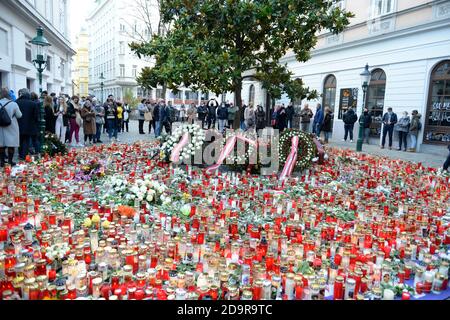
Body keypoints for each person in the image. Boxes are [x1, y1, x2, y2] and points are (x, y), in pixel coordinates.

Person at [0, 88, 22, 167]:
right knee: (11, 144)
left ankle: (2, 162)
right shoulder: (13, 104)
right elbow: (19, 115)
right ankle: (10, 161)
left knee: (1, 144)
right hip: (11, 126)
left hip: (1, 127)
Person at [16, 89, 40, 160]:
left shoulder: (16, 102)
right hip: (30, 125)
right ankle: (24, 156)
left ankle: (20, 155)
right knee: (26, 140)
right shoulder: (33, 103)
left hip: (18, 125)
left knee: (20, 140)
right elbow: (36, 117)